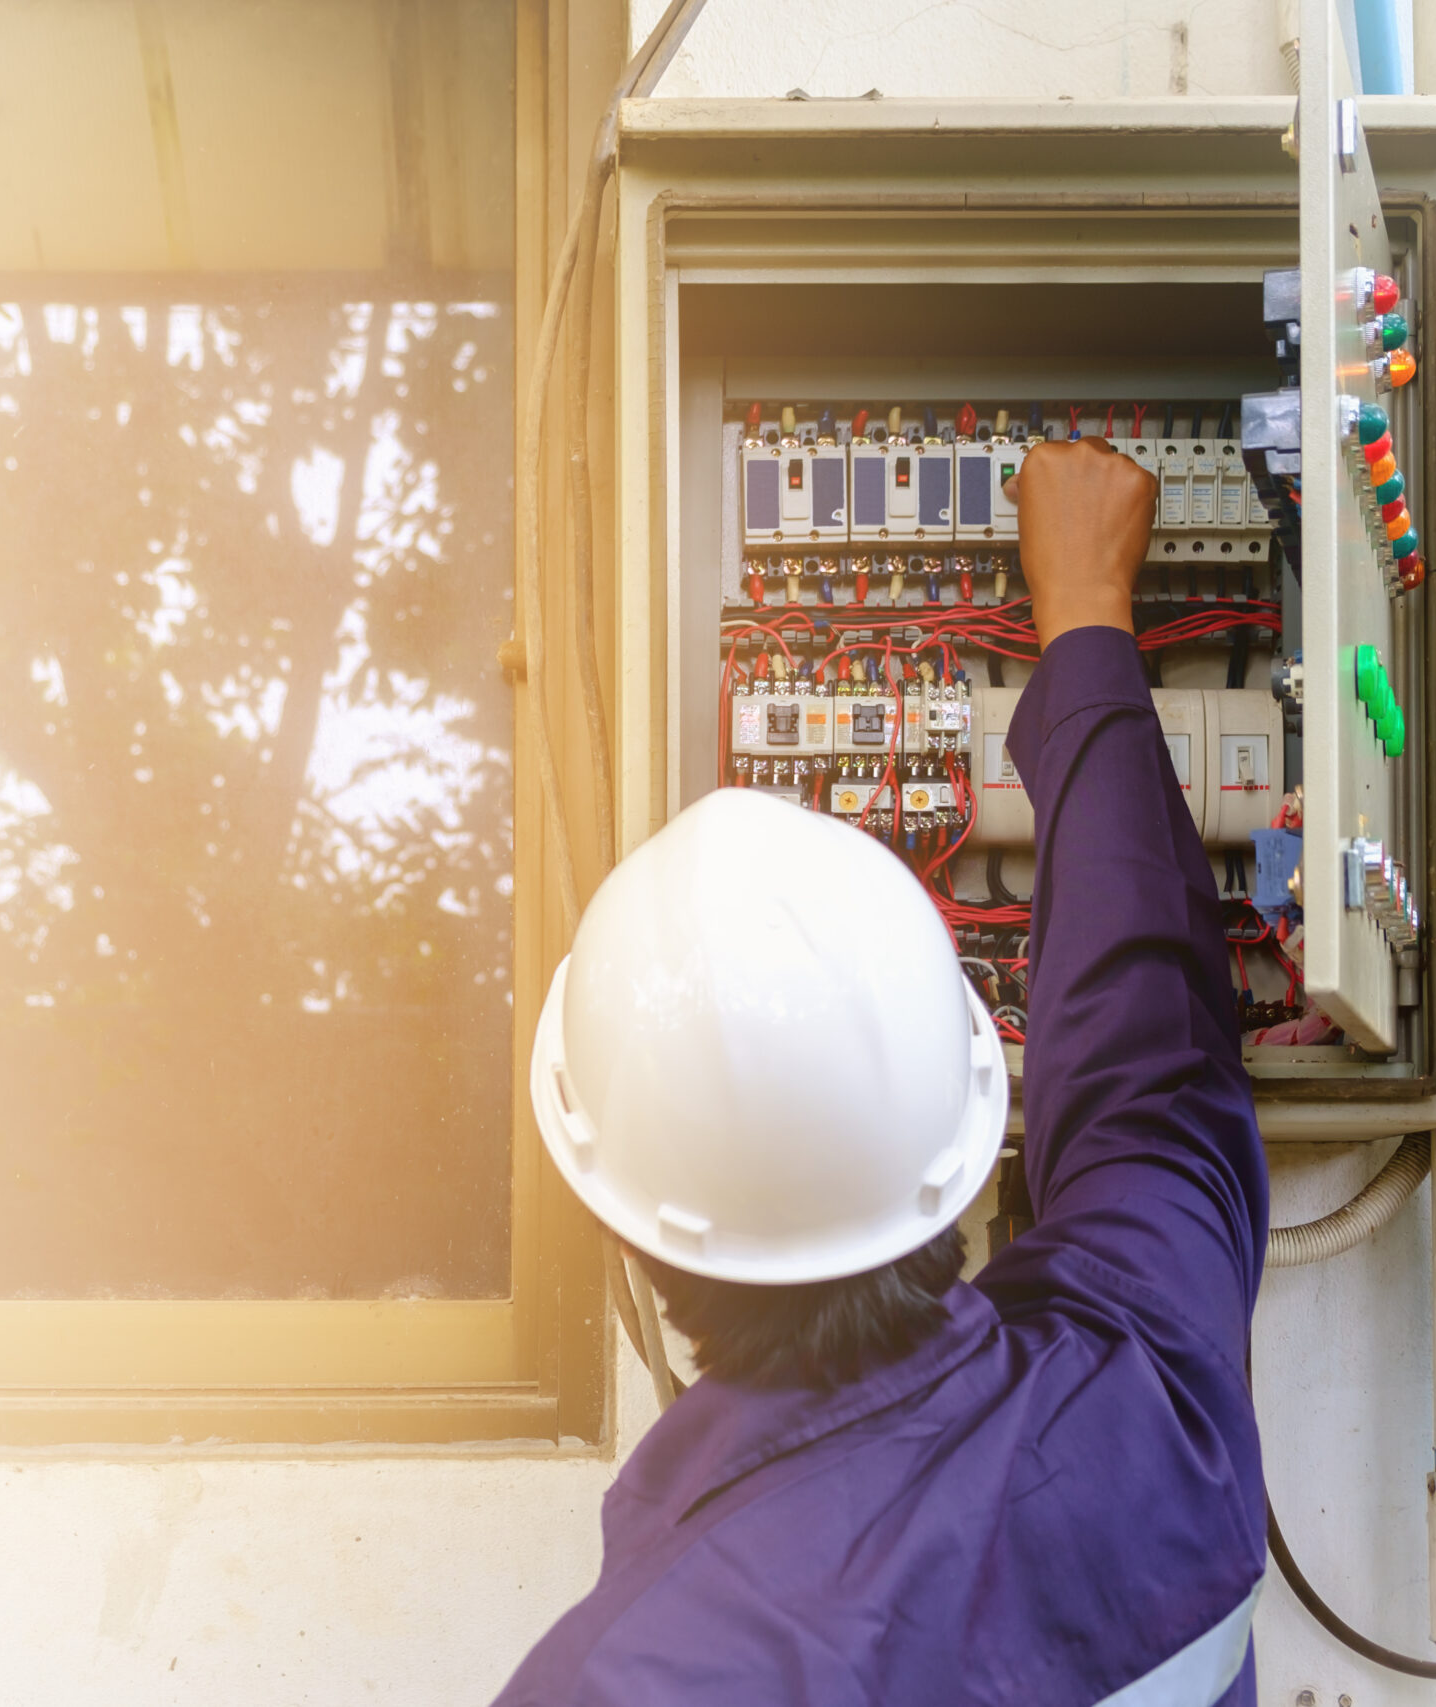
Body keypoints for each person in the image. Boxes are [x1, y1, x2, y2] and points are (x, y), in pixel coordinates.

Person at [494, 439, 1270, 1705]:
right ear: (966, 1117)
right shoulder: (1155, 1402)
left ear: (623, 1226)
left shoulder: (621, 1680)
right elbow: (1155, 1078)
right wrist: (1084, 621)